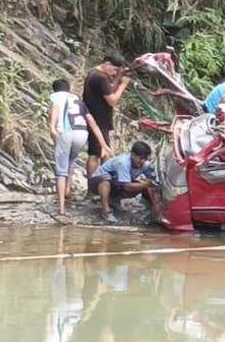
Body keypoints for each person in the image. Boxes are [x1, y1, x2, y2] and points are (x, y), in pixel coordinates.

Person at [47, 79, 110, 216]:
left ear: (55, 89)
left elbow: (55, 109)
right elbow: (91, 121)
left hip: (66, 132)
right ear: (69, 88)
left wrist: (52, 127)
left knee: (60, 171)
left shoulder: (56, 96)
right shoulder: (77, 99)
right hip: (82, 133)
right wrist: (103, 144)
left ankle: (61, 209)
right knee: (70, 160)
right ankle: (68, 191)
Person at [83, 54, 131, 177]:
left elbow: (109, 89)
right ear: (107, 64)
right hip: (98, 120)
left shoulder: (96, 73)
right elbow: (112, 100)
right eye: (114, 69)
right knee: (95, 153)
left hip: (99, 119)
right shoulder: (99, 78)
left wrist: (119, 77)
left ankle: (104, 183)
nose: (115, 73)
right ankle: (93, 185)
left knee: (104, 152)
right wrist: (123, 85)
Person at [90, 141, 160, 224]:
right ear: (133, 155)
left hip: (117, 184)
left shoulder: (145, 165)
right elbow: (127, 186)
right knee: (105, 180)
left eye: (145, 159)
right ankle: (106, 211)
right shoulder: (123, 162)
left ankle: (154, 210)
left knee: (148, 185)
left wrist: (156, 203)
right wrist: (145, 184)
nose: (142, 161)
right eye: (141, 158)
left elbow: (154, 181)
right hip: (97, 182)